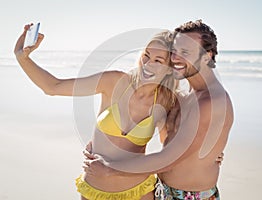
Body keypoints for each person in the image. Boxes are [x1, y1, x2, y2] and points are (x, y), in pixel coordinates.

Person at [14, 25, 179, 200]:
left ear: (169, 68)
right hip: (94, 191)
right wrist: (22, 57)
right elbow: (53, 87)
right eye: (146, 55)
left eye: (158, 60)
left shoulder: (166, 102)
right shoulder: (114, 82)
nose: (147, 64)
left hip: (140, 191)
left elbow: (166, 156)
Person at [83, 19, 234, 200]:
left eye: (185, 52)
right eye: (175, 52)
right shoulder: (182, 97)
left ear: (206, 56)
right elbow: (168, 140)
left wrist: (109, 168)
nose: (176, 58)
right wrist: (102, 146)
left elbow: (169, 158)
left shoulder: (213, 101)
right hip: (161, 190)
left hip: (192, 196)